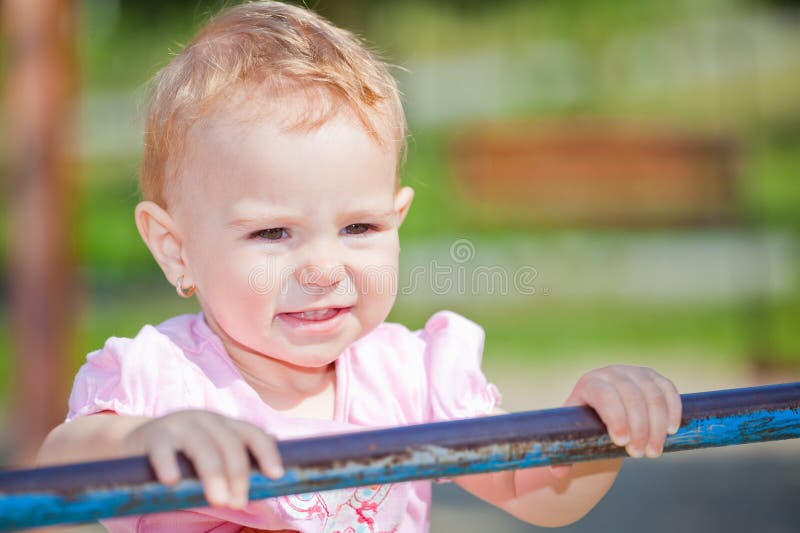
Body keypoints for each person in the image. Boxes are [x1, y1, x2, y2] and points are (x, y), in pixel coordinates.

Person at [37, 1, 683, 531]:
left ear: (397, 217)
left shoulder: (407, 377)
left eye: (359, 227)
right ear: (175, 248)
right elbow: (61, 465)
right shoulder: (162, 380)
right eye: (272, 231)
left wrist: (598, 429)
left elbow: (533, 489)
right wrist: (141, 442)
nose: (324, 266)